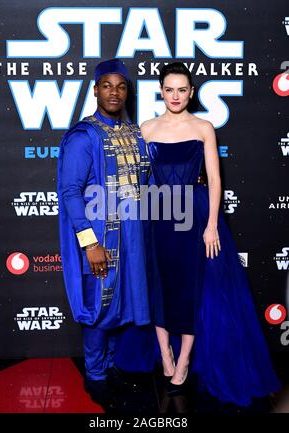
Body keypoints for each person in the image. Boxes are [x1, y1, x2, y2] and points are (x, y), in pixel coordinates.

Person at [140, 62, 281, 406]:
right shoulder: (146, 128)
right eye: (169, 89)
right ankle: (166, 355)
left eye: (182, 89)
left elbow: (216, 179)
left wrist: (211, 224)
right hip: (156, 214)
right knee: (157, 284)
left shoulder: (204, 127)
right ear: (161, 91)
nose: (175, 96)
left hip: (194, 214)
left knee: (191, 288)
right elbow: (143, 179)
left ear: (191, 92)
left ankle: (184, 359)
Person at [57, 58, 156, 407]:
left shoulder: (134, 133)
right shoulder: (84, 136)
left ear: (128, 92)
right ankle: (95, 376)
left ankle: (111, 368)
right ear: (95, 90)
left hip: (132, 236)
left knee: (119, 305)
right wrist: (90, 243)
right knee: (99, 306)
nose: (114, 92)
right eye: (107, 86)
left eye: (121, 86)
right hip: (101, 236)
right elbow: (70, 192)